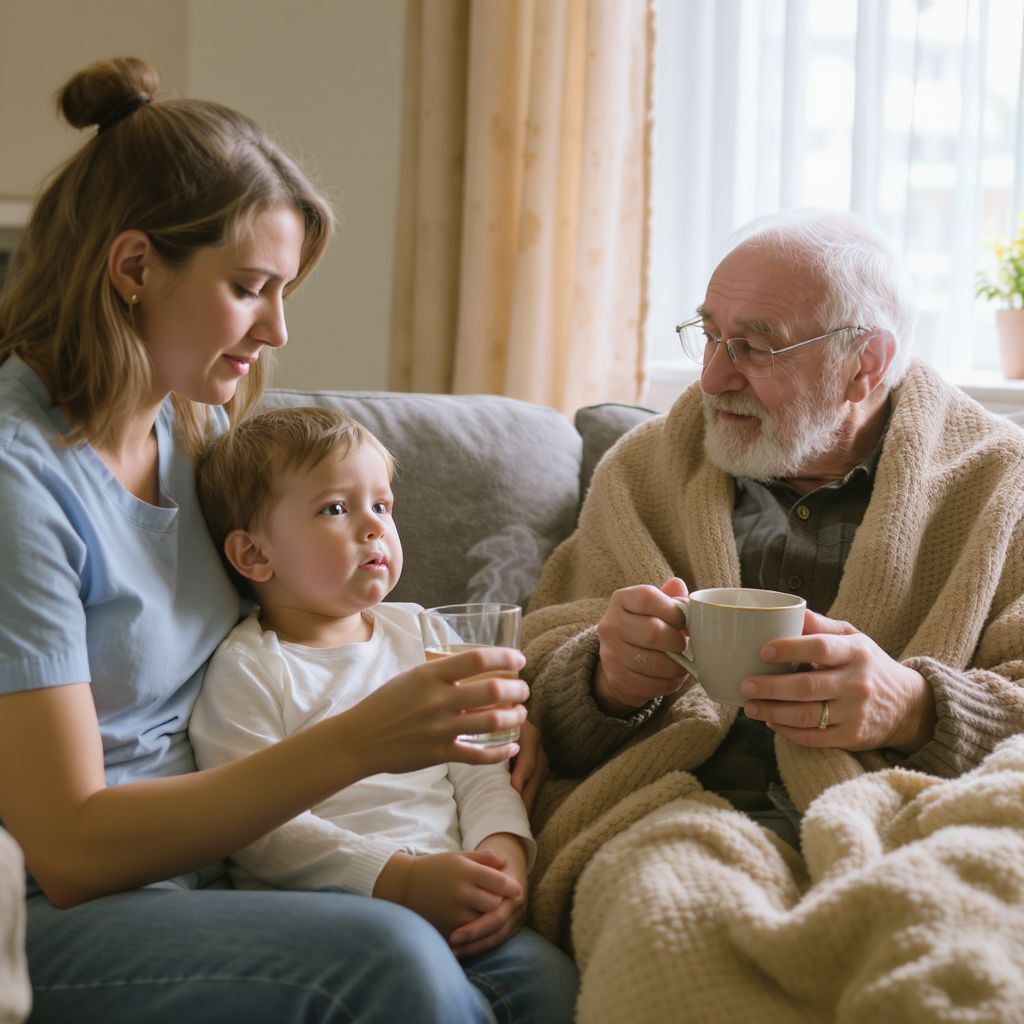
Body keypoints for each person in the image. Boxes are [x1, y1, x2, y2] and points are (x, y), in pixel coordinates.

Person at [0, 57, 543, 1024]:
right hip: (66, 906)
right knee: (392, 962)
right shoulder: (19, 480)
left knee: (531, 978)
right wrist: (363, 743)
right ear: (133, 268)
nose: (279, 329)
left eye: (282, 290)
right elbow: (69, 849)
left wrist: (454, 740)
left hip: (234, 864)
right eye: (251, 287)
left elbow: (320, 617)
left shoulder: (191, 429)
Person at [520, 208, 1024, 1021]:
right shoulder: (646, 469)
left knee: (956, 944)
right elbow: (533, 664)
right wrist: (603, 678)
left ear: (867, 364)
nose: (714, 376)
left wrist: (917, 707)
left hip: (916, 810)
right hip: (679, 809)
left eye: (754, 347)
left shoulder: (1001, 483)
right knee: (666, 929)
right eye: (709, 335)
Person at [189, 405, 577, 1019]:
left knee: (553, 988)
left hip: (458, 898)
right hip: (338, 916)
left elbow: (481, 767)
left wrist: (503, 859)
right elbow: (258, 831)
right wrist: (396, 879)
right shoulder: (251, 668)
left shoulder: (419, 632)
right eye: (335, 509)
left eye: (383, 505)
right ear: (255, 555)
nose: (373, 527)